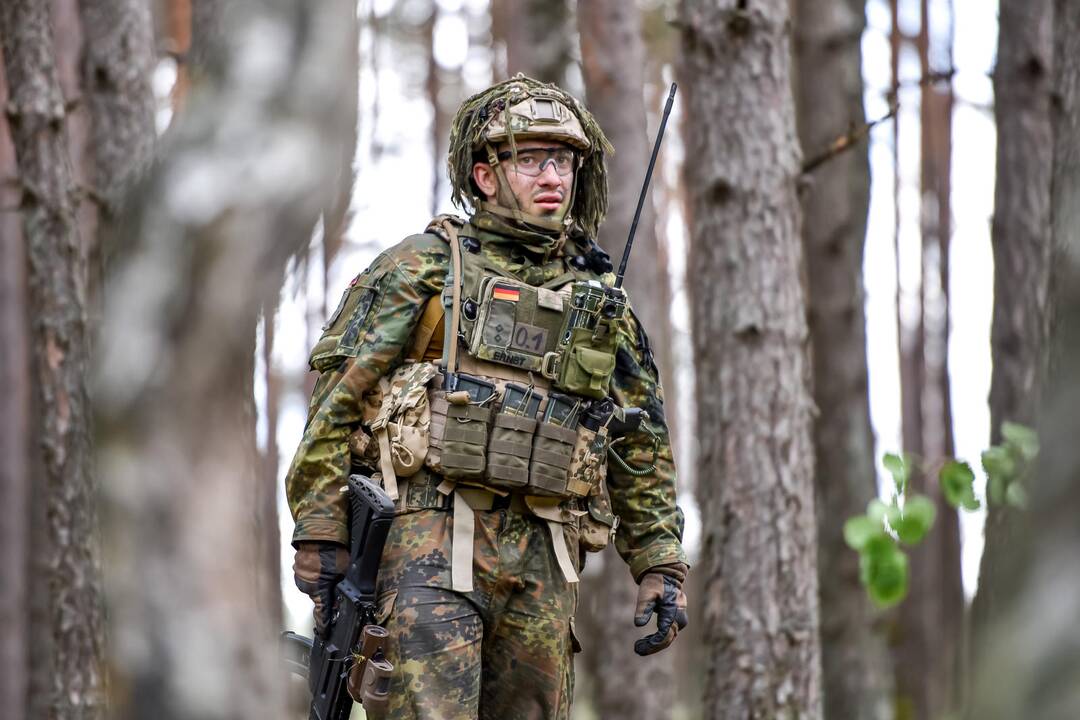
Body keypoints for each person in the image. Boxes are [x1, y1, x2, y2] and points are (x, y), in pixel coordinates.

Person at [286, 74, 688, 720]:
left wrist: (660, 562)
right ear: (484, 174)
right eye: (530, 159)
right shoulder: (423, 267)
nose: (553, 175)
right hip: (430, 545)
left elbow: (638, 439)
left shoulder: (597, 296)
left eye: (563, 161)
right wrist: (320, 528)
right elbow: (338, 399)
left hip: (543, 559)